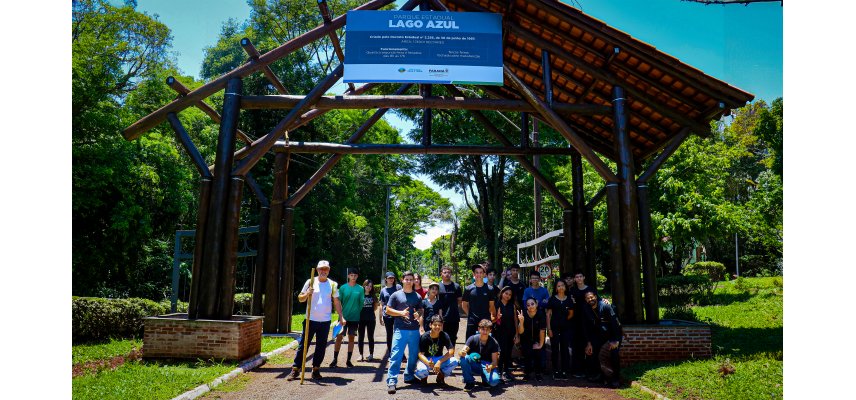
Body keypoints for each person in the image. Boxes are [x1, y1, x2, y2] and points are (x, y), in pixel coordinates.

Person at [287, 260, 345, 381]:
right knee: (304, 345)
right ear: (317, 270)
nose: (323, 271)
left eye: (326, 269)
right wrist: (307, 293)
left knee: (321, 346)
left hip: (325, 321)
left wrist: (341, 316)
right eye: (321, 269)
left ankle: (316, 369)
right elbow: (300, 299)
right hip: (310, 319)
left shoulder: (333, 284)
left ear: (329, 271)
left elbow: (336, 301)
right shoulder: (310, 281)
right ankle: (296, 369)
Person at [385, 271, 424, 394]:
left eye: (411, 279)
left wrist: (419, 314)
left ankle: (409, 376)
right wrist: (401, 313)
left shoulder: (417, 296)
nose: (408, 281)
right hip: (400, 330)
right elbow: (388, 310)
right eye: (406, 279)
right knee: (396, 355)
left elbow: (421, 309)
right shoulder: (396, 295)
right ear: (402, 280)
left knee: (413, 356)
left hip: (414, 330)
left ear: (413, 281)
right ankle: (392, 381)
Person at [582, 291, 622, 388]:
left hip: (612, 336)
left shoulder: (606, 306)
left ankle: (615, 379)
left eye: (591, 297)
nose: (590, 299)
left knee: (614, 354)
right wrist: (589, 343)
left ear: (595, 297)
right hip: (599, 336)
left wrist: (616, 340)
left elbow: (616, 324)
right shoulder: (587, 309)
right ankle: (600, 375)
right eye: (587, 298)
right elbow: (586, 327)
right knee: (592, 352)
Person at [330, 267, 363, 368]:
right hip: (343, 317)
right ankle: (335, 359)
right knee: (339, 337)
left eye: (355, 275)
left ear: (357, 276)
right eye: (351, 275)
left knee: (351, 338)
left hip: (355, 318)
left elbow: (361, 303)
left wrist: (357, 312)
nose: (353, 277)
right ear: (348, 276)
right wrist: (341, 316)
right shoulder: (343, 288)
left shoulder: (360, 289)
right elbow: (339, 302)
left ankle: (348, 360)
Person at [458, 319, 502, 391]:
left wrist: (490, 367)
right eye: (482, 329)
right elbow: (462, 351)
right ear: (478, 329)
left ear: (490, 330)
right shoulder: (472, 338)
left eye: (487, 329)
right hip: (474, 363)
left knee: (494, 382)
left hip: (487, 365)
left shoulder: (494, 342)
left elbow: (495, 362)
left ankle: (485, 379)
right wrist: (462, 352)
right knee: (463, 358)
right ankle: (469, 382)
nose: (484, 332)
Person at [415, 315, 458, 385]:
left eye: (439, 325)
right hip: (426, 359)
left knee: (455, 361)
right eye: (435, 325)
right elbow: (420, 354)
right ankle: (424, 377)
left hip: (438, 358)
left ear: (442, 326)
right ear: (430, 325)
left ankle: (441, 376)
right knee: (421, 370)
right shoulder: (425, 337)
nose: (437, 327)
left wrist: (439, 362)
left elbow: (451, 351)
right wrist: (427, 362)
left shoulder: (444, 335)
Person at [569, 270, 597, 378]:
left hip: (589, 319)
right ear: (575, 279)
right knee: (577, 346)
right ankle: (578, 370)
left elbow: (597, 301)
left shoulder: (590, 290)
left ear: (584, 277)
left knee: (589, 344)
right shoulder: (572, 290)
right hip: (576, 321)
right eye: (577, 277)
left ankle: (590, 370)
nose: (579, 279)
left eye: (580, 276)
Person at [546, 278, 574, 380]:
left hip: (566, 328)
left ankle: (564, 370)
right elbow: (548, 315)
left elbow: (571, 314)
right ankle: (555, 370)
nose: (561, 287)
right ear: (556, 288)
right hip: (554, 328)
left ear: (565, 287)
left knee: (565, 349)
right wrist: (549, 329)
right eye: (558, 286)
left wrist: (564, 320)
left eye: (562, 285)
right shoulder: (552, 299)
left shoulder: (569, 299)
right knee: (555, 349)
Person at [462, 264, 496, 339]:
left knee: (486, 346)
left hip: (486, 322)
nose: (478, 274)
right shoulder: (468, 289)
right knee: (470, 345)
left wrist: (489, 317)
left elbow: (491, 306)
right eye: (476, 272)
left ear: (484, 274)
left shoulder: (490, 289)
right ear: (473, 274)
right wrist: (470, 315)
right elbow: (464, 305)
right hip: (472, 322)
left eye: (481, 272)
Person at [492, 286, 518, 382]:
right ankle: (498, 371)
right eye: (506, 293)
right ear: (502, 293)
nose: (507, 296)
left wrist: (517, 334)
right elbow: (492, 319)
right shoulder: (496, 304)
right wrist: (497, 318)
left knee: (508, 352)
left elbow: (515, 320)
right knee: (501, 352)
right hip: (499, 332)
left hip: (510, 332)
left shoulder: (512, 305)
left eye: (510, 295)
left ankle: (506, 372)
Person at [517, 297, 546, 381]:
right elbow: (521, 331)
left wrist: (540, 344)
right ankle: (527, 374)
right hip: (526, 338)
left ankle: (538, 374)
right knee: (527, 356)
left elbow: (542, 331)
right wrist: (521, 322)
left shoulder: (541, 314)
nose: (531, 306)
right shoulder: (524, 315)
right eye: (528, 305)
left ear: (536, 304)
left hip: (537, 338)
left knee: (538, 355)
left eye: (532, 304)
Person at [437, 265, 463, 347]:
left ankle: (451, 358)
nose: (447, 274)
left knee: (452, 339)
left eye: (449, 272)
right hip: (440, 318)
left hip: (454, 318)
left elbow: (459, 301)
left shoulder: (456, 286)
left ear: (451, 274)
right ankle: (439, 358)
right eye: (445, 272)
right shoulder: (437, 287)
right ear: (441, 274)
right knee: (439, 339)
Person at [379, 272, 401, 357]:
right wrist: (380, 317)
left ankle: (400, 353)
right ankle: (390, 353)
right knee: (389, 334)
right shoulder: (383, 290)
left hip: (397, 314)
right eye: (389, 278)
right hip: (387, 315)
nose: (391, 279)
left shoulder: (398, 287)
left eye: (392, 278)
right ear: (386, 279)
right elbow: (381, 304)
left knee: (398, 334)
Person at [358, 279, 378, 362]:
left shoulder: (373, 296)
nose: (369, 287)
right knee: (361, 337)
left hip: (371, 319)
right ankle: (361, 355)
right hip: (361, 319)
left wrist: (369, 312)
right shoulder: (360, 295)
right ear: (364, 285)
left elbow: (375, 307)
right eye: (367, 285)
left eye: (370, 286)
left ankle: (371, 354)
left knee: (370, 337)